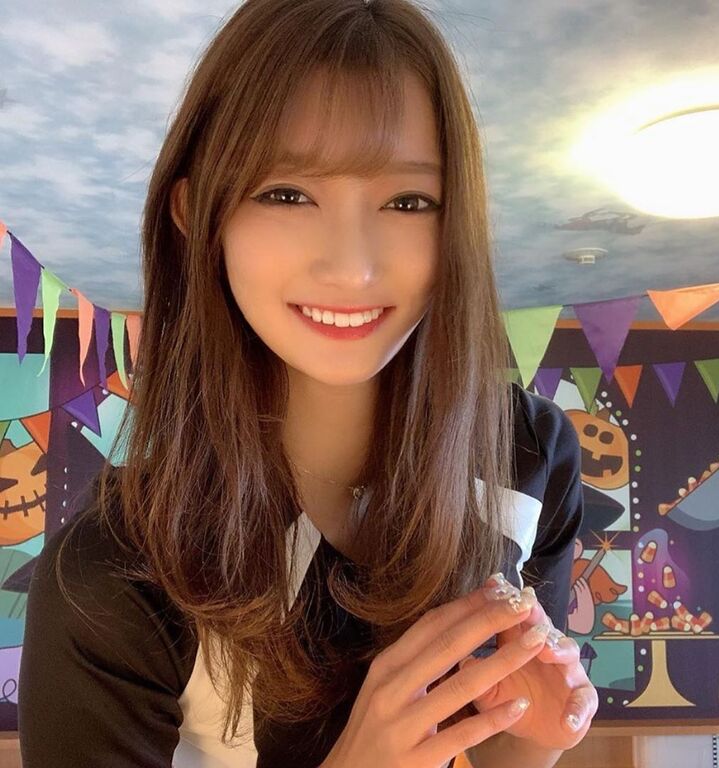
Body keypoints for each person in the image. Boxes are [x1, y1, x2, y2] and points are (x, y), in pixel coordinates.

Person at [17, 0, 597, 766]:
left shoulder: (529, 455)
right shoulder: (115, 578)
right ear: (198, 212)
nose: (352, 268)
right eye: (287, 193)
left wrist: (536, 733)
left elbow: (499, 736)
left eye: (409, 201)